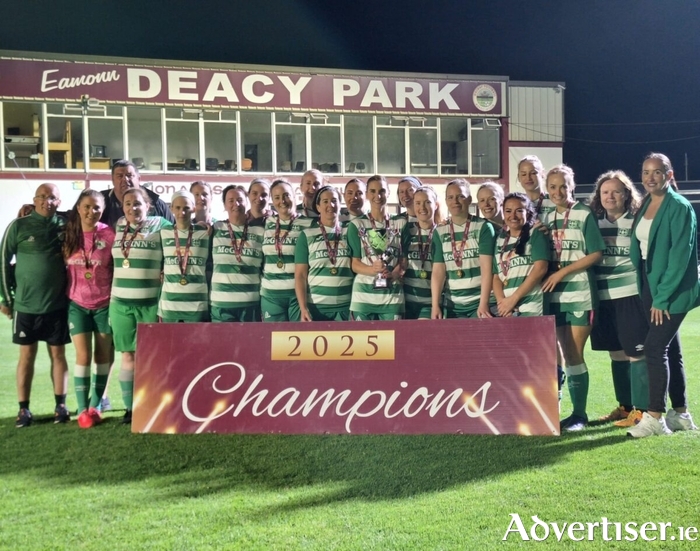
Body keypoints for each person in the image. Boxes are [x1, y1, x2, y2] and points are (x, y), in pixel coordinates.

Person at [626, 153, 700, 438]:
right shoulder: (646, 203)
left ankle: (655, 416)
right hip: (649, 283)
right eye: (646, 172)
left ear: (669, 175)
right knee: (673, 349)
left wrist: (662, 297)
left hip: (671, 288)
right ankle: (680, 413)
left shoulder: (679, 207)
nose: (650, 177)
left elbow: (680, 259)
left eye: (657, 172)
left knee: (654, 348)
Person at [541, 165, 605, 431]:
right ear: (547, 188)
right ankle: (558, 411)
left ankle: (579, 415)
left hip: (580, 294)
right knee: (559, 355)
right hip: (553, 296)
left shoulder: (583, 213)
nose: (558, 191)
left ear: (572, 186)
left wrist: (563, 272)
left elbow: (596, 254)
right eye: (553, 186)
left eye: (563, 186)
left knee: (574, 354)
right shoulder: (544, 215)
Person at [1, 183, 70, 427]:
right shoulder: (18, 225)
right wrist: (6, 299)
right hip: (25, 306)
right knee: (26, 356)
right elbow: (2, 261)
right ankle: (23, 409)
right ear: (34, 199)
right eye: (41, 197)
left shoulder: (65, 226)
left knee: (58, 355)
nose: (46, 201)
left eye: (52, 197)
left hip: (57, 305)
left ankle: (61, 406)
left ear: (59, 202)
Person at [588, 170, 649, 427]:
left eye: (616, 191)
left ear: (626, 194)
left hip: (629, 296)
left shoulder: (636, 221)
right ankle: (625, 407)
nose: (610, 196)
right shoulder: (593, 223)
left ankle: (643, 411)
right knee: (616, 354)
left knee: (637, 353)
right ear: (598, 196)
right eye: (605, 191)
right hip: (602, 298)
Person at [110, 188, 172, 424]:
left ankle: (152, 403)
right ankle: (129, 408)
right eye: (127, 204)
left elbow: (178, 241)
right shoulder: (118, 225)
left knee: (151, 356)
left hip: (149, 302)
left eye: (137, 203)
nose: (132, 208)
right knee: (127, 355)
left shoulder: (161, 224)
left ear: (148, 206)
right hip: (120, 302)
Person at [62, 189, 115, 428]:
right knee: (83, 356)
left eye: (97, 208)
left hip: (105, 304)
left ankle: (95, 406)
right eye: (87, 206)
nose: (91, 211)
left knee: (102, 356)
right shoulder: (67, 234)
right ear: (78, 208)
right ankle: (81, 408)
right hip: (77, 305)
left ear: (102, 210)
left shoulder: (109, 234)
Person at [431, 178, 496, 319]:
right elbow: (438, 271)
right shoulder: (439, 231)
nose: (455, 201)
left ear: (470, 200)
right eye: (450, 197)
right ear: (446, 201)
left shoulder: (483, 227)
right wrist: (435, 305)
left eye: (461, 196)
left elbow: (487, 269)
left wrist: (483, 303)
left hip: (479, 304)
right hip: (453, 305)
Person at [347, 175, 408, 320]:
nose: (377, 196)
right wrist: (373, 269)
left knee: (394, 342)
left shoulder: (400, 223)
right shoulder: (356, 225)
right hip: (363, 297)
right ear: (367, 194)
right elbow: (354, 264)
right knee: (362, 343)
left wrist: (393, 274)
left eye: (381, 191)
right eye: (373, 191)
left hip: (392, 296)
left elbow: (404, 261)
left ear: (388, 192)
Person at [295, 186, 353, 321]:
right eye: (325, 201)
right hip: (316, 308)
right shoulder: (307, 235)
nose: (330, 205)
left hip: (346, 307)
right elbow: (300, 275)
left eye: (334, 201)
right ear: (318, 207)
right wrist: (303, 308)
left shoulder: (350, 231)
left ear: (340, 204)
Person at [261, 180, 314, 321]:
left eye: (286, 196)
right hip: (271, 295)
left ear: (294, 196)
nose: (282, 201)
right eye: (277, 198)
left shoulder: (309, 224)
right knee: (273, 341)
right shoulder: (266, 222)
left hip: (297, 295)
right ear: (272, 201)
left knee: (298, 340)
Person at [210, 185, 264, 322]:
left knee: (249, 344)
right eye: (231, 200)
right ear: (224, 205)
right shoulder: (215, 229)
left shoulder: (260, 230)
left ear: (247, 202)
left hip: (251, 304)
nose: (236, 204)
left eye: (240, 200)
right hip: (221, 304)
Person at [492, 193, 549, 317]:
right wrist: (502, 303)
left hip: (532, 305)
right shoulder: (500, 239)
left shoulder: (536, 233)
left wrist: (513, 299)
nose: (513, 216)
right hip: (507, 310)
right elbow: (496, 276)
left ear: (528, 213)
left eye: (519, 211)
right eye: (508, 211)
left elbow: (540, 269)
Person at [159, 190, 211, 322]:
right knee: (170, 343)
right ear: (171, 208)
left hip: (197, 305)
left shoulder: (205, 233)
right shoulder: (163, 233)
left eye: (186, 208)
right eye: (177, 208)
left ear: (193, 209)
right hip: (169, 305)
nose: (182, 212)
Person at [403, 186, 442, 319]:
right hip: (406, 302)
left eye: (427, 202)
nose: (422, 207)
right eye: (418, 203)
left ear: (436, 205)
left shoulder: (443, 232)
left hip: (430, 304)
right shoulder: (407, 231)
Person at [101, 160, 174, 229]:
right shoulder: (100, 203)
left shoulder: (157, 204)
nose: (125, 179)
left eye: (129, 175)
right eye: (120, 176)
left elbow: (173, 231)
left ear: (139, 179)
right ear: (113, 180)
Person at [517, 155, 556, 219]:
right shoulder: (517, 203)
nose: (528, 178)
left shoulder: (555, 200)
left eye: (533, 173)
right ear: (519, 177)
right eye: (524, 174)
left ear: (542, 174)